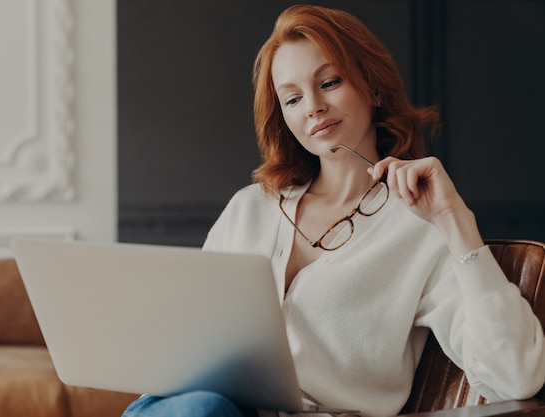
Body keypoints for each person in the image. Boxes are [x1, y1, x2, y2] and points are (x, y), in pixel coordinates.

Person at [122, 4, 545, 417]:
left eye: (328, 83)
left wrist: (455, 221)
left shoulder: (420, 228)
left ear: (373, 87)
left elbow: (516, 377)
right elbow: (184, 340)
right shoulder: (249, 209)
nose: (313, 107)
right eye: (292, 99)